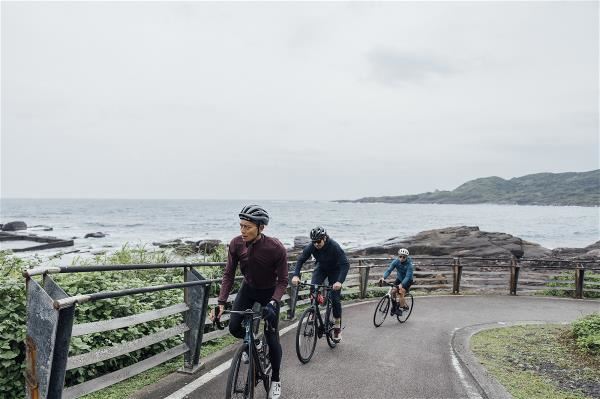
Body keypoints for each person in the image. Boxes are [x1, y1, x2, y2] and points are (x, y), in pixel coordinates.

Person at [210, 205, 287, 399]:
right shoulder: (236, 244)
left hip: (269, 293)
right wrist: (221, 303)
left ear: (261, 227)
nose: (242, 231)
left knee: (272, 335)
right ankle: (255, 344)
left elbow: (283, 281)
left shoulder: (276, 248)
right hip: (248, 290)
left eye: (247, 227)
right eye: (241, 226)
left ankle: (276, 380)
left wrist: (273, 302)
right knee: (234, 327)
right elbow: (228, 274)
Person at [291, 226, 349, 343]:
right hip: (321, 268)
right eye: (314, 242)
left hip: (335, 271)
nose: (316, 244)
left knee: (335, 299)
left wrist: (339, 282)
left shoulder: (334, 246)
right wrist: (296, 275)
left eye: (318, 241)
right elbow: (300, 260)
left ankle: (337, 328)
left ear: (325, 238)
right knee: (313, 288)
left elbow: (345, 264)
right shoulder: (312, 246)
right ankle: (314, 310)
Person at [379, 248, 414, 315]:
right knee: (393, 292)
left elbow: (407, 277)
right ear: (398, 256)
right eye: (400, 256)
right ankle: (395, 307)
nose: (402, 258)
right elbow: (389, 270)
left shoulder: (409, 265)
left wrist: (401, 284)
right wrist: (383, 277)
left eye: (404, 257)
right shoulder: (395, 262)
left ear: (406, 257)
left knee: (401, 292)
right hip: (399, 278)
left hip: (408, 280)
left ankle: (402, 306)